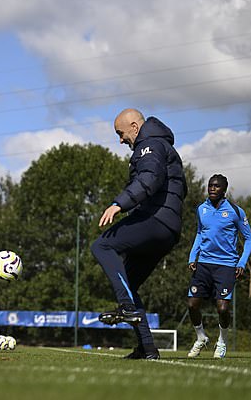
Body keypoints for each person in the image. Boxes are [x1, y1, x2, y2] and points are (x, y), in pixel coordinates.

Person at [90, 109, 187, 360]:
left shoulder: (151, 145)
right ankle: (147, 348)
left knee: (102, 246)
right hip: (167, 227)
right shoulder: (158, 145)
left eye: (120, 134)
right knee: (129, 284)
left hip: (156, 220)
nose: (120, 140)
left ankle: (125, 307)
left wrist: (118, 204)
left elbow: (149, 178)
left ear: (134, 127)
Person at [186, 174, 251, 359]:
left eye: (216, 186)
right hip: (204, 264)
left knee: (223, 308)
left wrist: (241, 262)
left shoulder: (235, 211)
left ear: (224, 189)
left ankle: (222, 342)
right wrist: (193, 256)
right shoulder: (201, 209)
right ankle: (201, 338)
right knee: (192, 304)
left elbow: (249, 238)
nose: (212, 189)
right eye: (210, 186)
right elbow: (200, 233)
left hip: (226, 265)